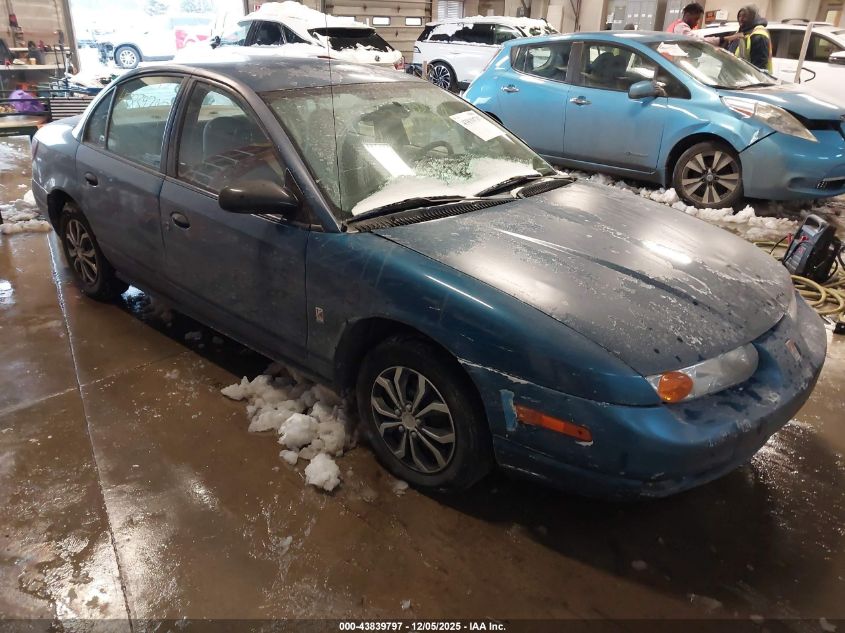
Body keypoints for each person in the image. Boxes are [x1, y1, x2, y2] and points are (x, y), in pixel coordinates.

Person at [727, 4, 772, 71]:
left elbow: (758, 67)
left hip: (743, 76)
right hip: (732, 73)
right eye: (739, 16)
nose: (741, 19)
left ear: (752, 16)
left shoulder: (759, 35)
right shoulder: (742, 31)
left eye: (744, 16)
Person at [666, 3, 735, 46]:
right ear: (687, 15)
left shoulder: (677, 24)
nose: (697, 23)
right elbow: (697, 40)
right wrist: (723, 39)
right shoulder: (681, 27)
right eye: (696, 19)